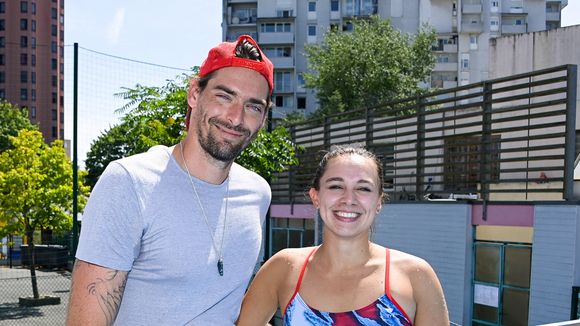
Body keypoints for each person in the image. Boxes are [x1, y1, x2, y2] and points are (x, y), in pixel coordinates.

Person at [66, 35, 274, 325]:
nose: (236, 118)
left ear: (263, 117)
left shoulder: (258, 192)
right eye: (224, 96)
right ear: (194, 94)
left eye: (253, 106)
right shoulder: (128, 182)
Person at [236, 145, 449, 326]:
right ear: (316, 196)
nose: (349, 199)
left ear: (378, 202)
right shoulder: (284, 267)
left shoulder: (416, 276)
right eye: (336, 186)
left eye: (363, 188)